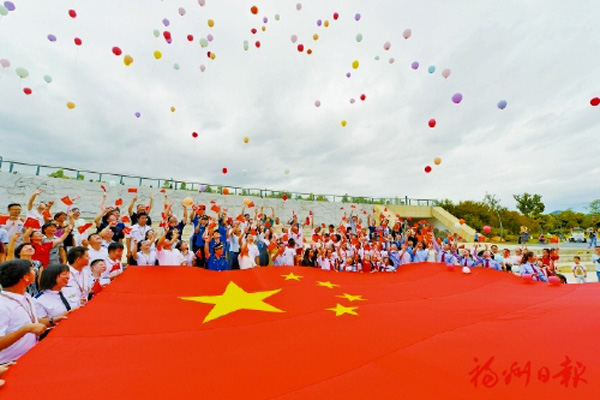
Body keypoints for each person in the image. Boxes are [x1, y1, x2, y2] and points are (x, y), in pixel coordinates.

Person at [0, 259, 47, 364]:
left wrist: (52, 320)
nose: (35, 270)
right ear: (25, 277)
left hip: (29, 356)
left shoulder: (26, 296)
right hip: (9, 364)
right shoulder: (3, 306)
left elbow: (28, 320)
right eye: (32, 269)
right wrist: (25, 330)